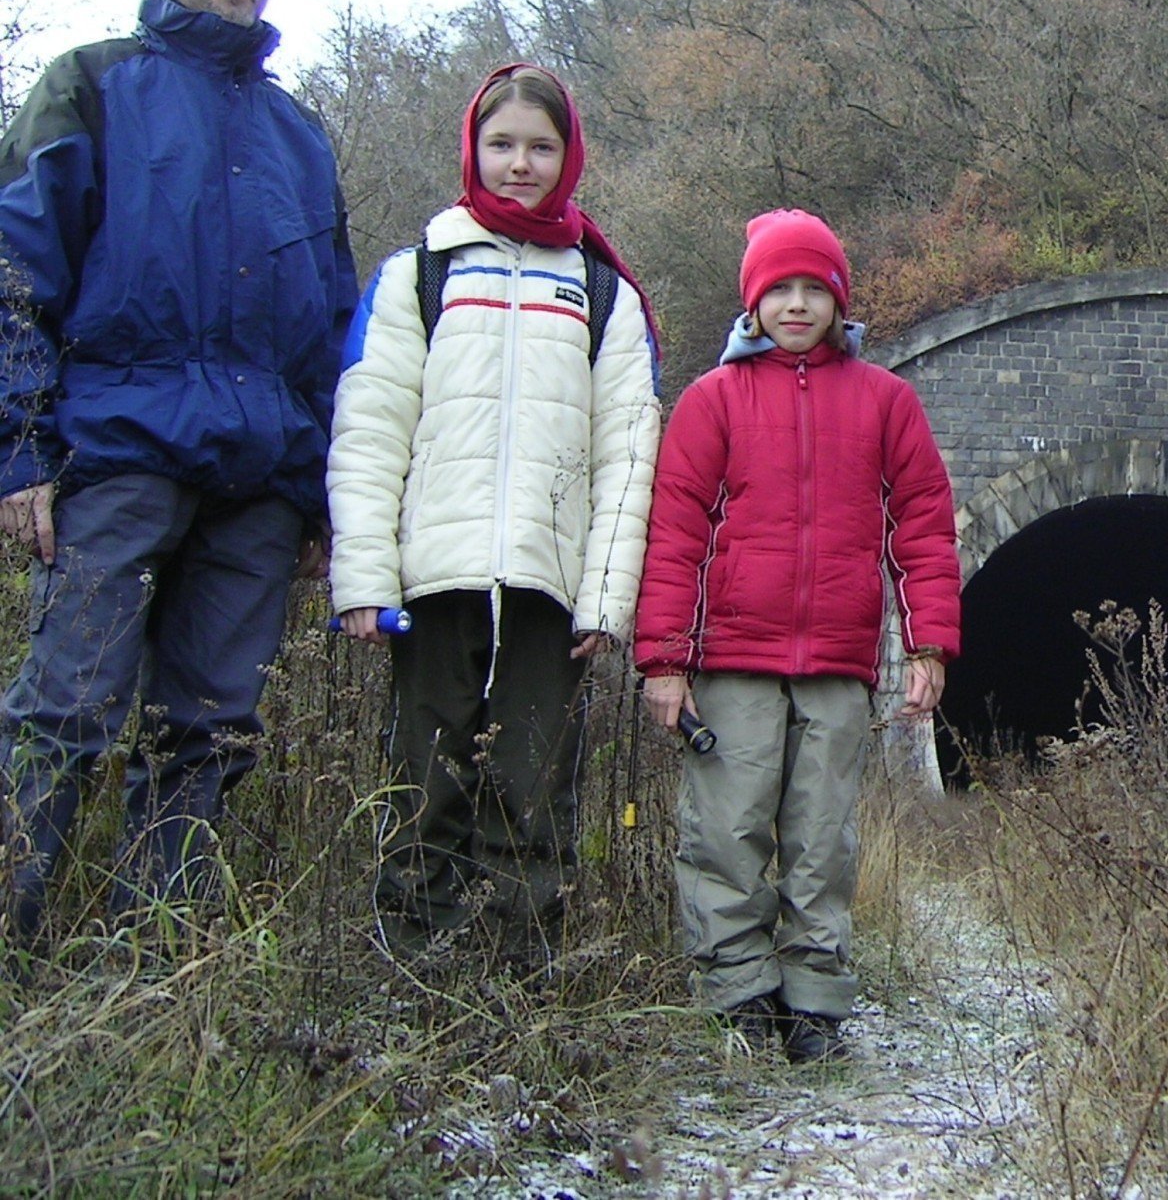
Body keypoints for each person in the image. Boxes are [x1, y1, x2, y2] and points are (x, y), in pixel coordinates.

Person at [0, 0, 358, 944]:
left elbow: (329, 327)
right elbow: (15, 278)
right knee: (65, 710)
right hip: (116, 453)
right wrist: (20, 455)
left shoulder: (299, 135)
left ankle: (153, 967)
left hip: (259, 484)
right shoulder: (92, 84)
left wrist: (319, 497)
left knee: (210, 730)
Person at [327, 64, 660, 968]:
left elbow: (627, 457)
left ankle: (521, 972)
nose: (521, 164)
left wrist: (605, 598)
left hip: (551, 587)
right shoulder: (419, 273)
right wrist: (364, 576)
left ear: (569, 156)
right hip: (434, 576)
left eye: (541, 147)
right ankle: (415, 961)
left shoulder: (603, 293)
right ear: (472, 148)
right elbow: (370, 429)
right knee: (425, 776)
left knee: (536, 781)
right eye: (502, 143)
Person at [635, 209, 960, 1062]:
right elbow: (674, 537)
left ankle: (815, 1004)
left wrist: (927, 644)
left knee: (823, 838)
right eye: (779, 288)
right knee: (727, 829)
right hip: (732, 660)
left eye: (815, 288)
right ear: (752, 301)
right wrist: (665, 659)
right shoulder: (712, 401)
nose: (797, 304)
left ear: (839, 300)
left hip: (839, 664)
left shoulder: (886, 400)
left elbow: (924, 525)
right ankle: (738, 994)